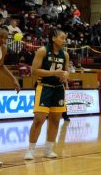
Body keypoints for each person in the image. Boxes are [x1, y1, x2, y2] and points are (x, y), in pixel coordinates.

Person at [24, 28, 69, 160]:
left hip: (59, 89)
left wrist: (66, 75)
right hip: (44, 87)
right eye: (62, 38)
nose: (64, 40)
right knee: (39, 119)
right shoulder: (42, 51)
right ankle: (30, 150)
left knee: (55, 120)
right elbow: (34, 71)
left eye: (65, 38)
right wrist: (53, 73)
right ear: (53, 38)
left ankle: (48, 150)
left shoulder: (65, 54)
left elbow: (66, 71)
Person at [0, 26, 21, 167]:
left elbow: (0, 66)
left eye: (5, 38)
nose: (2, 40)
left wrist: (13, 78)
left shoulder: (4, 49)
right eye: (0, 37)